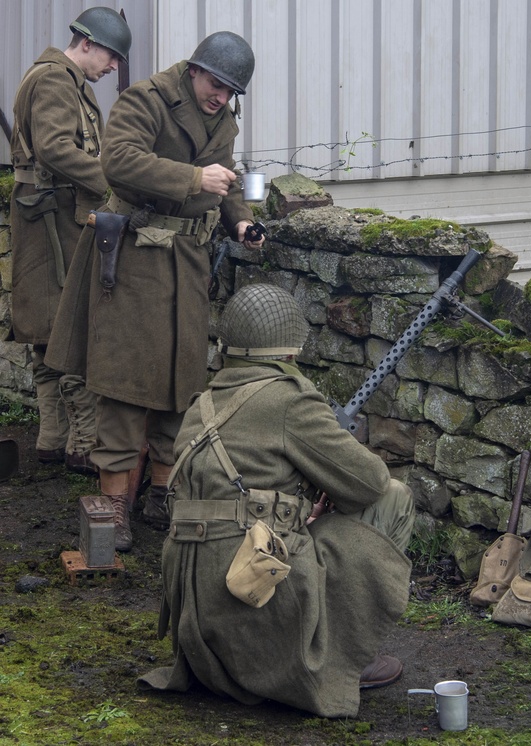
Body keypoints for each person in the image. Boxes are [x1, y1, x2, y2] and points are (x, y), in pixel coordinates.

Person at [138, 284, 413, 717]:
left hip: (196, 610)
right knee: (394, 496)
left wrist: (299, 507)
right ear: (289, 352)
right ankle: (344, 657)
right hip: (250, 588)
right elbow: (370, 482)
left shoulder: (202, 404)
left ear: (227, 347)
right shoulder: (291, 400)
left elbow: (233, 495)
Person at [46, 31, 265, 552]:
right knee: (125, 383)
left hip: (186, 263)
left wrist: (242, 222)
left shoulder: (222, 118)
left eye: (232, 90)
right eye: (217, 84)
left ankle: (160, 497)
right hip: (134, 256)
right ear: (194, 70)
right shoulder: (146, 98)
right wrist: (192, 178)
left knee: (181, 381)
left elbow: (225, 180)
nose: (222, 96)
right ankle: (114, 505)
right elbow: (116, 162)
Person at [10, 7, 132, 473]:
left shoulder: (59, 78)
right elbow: (57, 149)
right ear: (87, 44)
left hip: (48, 214)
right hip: (53, 218)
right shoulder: (57, 81)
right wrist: (114, 182)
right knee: (67, 328)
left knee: (47, 330)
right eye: (112, 56)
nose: (114, 67)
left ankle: (52, 439)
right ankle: (81, 443)